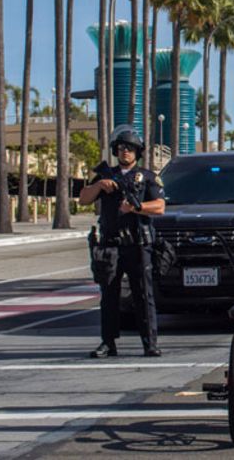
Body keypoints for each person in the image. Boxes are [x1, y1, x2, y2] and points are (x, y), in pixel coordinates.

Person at [78, 125, 166, 358]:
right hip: (110, 245)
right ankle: (108, 342)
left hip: (138, 244)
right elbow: (83, 200)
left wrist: (136, 208)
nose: (125, 152)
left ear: (137, 152)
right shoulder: (105, 176)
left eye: (130, 148)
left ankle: (150, 343)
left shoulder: (148, 177)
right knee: (109, 296)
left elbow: (159, 207)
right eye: (121, 148)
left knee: (143, 295)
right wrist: (99, 185)